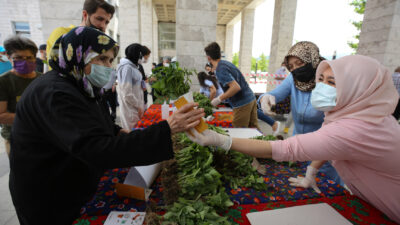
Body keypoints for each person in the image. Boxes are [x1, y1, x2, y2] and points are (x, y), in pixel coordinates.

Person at [9, 27, 204, 225]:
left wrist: (118, 131)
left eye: (110, 60)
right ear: (78, 54)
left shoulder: (81, 84)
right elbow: (96, 148)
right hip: (49, 193)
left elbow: (98, 122)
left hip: (72, 180)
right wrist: (167, 127)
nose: (108, 66)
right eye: (101, 59)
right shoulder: (55, 93)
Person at [187, 55, 400, 223]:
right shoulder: (360, 113)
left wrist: (222, 141)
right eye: (322, 80)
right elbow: (333, 145)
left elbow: (287, 149)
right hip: (375, 201)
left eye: (332, 82)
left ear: (359, 87)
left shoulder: (357, 128)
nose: (323, 87)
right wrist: (312, 170)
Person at [259, 41, 343, 186]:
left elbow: (337, 129)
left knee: (327, 192)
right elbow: (276, 93)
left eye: (299, 63)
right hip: (299, 149)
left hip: (324, 155)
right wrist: (265, 98)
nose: (296, 69)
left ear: (312, 59)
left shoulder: (328, 81)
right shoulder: (293, 79)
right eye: (291, 67)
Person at [0, 36, 41, 157]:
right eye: (18, 58)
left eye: (29, 58)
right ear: (8, 57)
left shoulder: (42, 79)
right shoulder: (4, 82)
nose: (24, 62)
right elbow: (1, 116)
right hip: (16, 138)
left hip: (40, 136)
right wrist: (34, 118)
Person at [204, 42, 257, 128]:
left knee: (240, 132)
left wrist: (218, 99)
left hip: (242, 103)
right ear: (219, 55)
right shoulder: (226, 63)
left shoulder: (220, 69)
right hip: (250, 98)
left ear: (208, 58)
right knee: (253, 129)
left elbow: (235, 87)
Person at [46, 0, 115, 66]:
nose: (103, 26)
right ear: (85, 15)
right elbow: (57, 66)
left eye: (106, 22)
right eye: (99, 19)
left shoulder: (100, 41)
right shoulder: (63, 33)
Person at [117, 43, 146, 130]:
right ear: (137, 55)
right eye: (142, 55)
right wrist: (139, 106)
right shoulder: (127, 68)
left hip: (135, 106)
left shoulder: (133, 67)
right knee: (132, 131)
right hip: (130, 108)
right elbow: (127, 93)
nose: (143, 58)